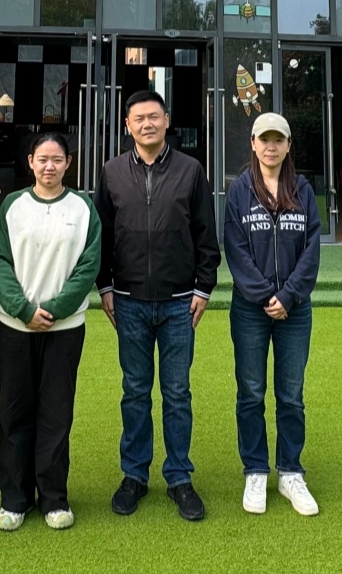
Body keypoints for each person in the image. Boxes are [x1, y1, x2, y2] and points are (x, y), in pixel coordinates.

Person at [95, 89, 220, 522]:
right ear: (127, 126)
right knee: (134, 391)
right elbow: (102, 234)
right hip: (128, 301)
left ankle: (179, 477)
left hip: (179, 303)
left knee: (177, 393)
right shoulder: (112, 172)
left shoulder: (190, 170)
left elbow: (205, 232)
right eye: (139, 118)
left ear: (167, 121)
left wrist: (204, 287)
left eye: (154, 116)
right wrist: (104, 285)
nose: (147, 124)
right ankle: (134, 474)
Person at [0, 133, 102, 532]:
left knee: (56, 414)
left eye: (57, 159)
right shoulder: (12, 205)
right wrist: (23, 309)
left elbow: (88, 265)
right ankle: (14, 499)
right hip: (14, 327)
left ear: (68, 163)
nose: (49, 166)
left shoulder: (83, 207)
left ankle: (54, 498)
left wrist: (54, 309)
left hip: (64, 328)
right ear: (30, 162)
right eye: (42, 159)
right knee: (14, 413)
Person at [222, 112, 323, 517]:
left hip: (295, 310)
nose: (271, 146)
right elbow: (235, 249)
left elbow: (312, 248)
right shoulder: (239, 190)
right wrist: (267, 296)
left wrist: (289, 296)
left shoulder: (303, 190)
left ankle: (290, 472)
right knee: (250, 392)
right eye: (264, 139)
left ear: (288, 145)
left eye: (278, 140)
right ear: (253, 143)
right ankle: (255, 470)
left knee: (291, 395)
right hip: (250, 309)